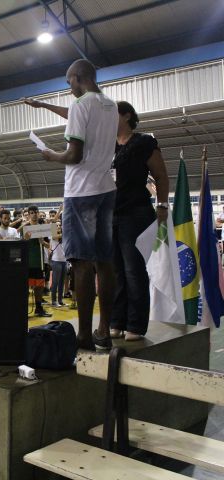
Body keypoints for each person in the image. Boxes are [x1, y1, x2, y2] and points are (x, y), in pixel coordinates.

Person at [25, 58, 119, 350]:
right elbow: (77, 113)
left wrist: (51, 154)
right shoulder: (110, 105)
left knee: (80, 263)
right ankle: (104, 329)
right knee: (104, 262)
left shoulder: (81, 106)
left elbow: (74, 155)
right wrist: (44, 107)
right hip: (106, 189)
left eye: (69, 82)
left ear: (79, 78)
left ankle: (84, 334)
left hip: (81, 192)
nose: (69, 88)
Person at [110, 101, 169, 341]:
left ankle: (135, 324)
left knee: (133, 269)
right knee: (116, 271)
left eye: (111, 114)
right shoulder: (107, 145)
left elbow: (161, 175)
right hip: (111, 214)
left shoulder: (144, 142)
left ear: (126, 116)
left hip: (136, 212)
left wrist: (162, 204)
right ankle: (116, 321)